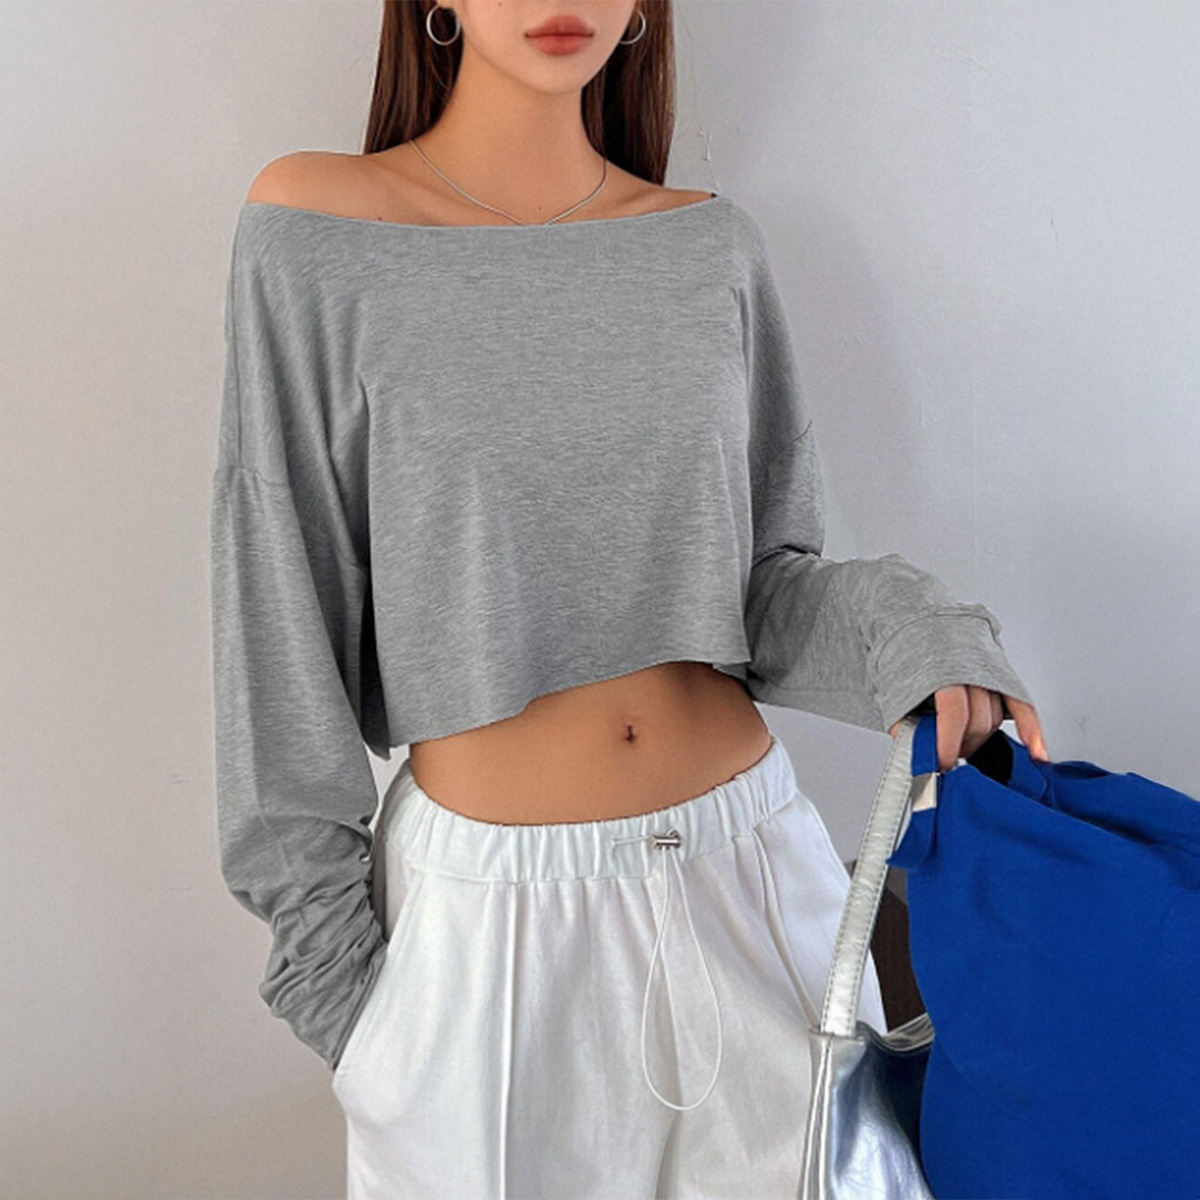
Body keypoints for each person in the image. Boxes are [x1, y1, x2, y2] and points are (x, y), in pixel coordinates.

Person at [209, 2, 1049, 1196]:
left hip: (756, 885)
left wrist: (922, 636)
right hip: (487, 939)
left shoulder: (708, 247)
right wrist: (350, 1009)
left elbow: (759, 588)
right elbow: (276, 619)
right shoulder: (319, 230)